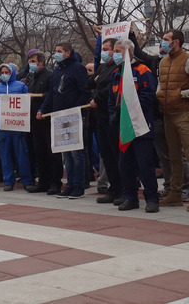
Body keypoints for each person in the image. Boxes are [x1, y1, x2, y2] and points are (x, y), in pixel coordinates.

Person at [109, 38, 160, 213]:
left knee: (144, 164)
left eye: (117, 51)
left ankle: (152, 198)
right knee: (125, 164)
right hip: (124, 126)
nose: (114, 54)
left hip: (140, 124)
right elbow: (112, 98)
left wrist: (130, 109)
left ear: (128, 52)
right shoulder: (117, 73)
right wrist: (114, 113)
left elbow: (148, 96)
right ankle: (130, 196)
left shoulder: (142, 70)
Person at [156, 29, 189, 212]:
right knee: (173, 155)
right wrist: (159, 94)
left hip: (184, 112)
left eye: (166, 39)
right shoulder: (163, 61)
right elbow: (161, 84)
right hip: (168, 113)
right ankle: (175, 194)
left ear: (176, 42)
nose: (163, 42)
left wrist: (183, 94)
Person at [37, 42, 91, 199]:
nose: (56, 54)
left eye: (59, 51)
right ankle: (70, 184)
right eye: (56, 51)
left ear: (68, 53)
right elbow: (52, 93)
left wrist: (75, 108)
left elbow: (84, 91)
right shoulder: (58, 70)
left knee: (76, 153)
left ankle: (79, 186)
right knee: (66, 154)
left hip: (73, 114)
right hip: (59, 115)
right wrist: (43, 109)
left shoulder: (77, 68)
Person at [0, 63, 36, 192]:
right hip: (1, 127)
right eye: (2, 72)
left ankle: (27, 180)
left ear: (13, 73)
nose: (4, 74)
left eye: (7, 72)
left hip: (18, 127)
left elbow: (28, 104)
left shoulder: (21, 86)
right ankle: (8, 181)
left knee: (22, 155)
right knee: (5, 156)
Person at [92, 39, 122, 204]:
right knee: (106, 153)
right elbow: (93, 83)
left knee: (116, 153)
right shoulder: (103, 67)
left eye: (106, 49)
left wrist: (96, 98)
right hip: (101, 117)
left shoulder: (118, 68)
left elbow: (111, 88)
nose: (104, 52)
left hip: (112, 116)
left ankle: (123, 187)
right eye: (102, 49)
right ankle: (114, 187)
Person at [25, 51, 58, 194]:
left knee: (52, 153)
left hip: (47, 118)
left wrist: (38, 100)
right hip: (34, 119)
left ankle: (55, 183)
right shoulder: (31, 78)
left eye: (33, 61)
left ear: (41, 62)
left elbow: (51, 95)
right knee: (39, 152)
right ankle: (43, 181)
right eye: (29, 61)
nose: (31, 64)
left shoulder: (50, 75)